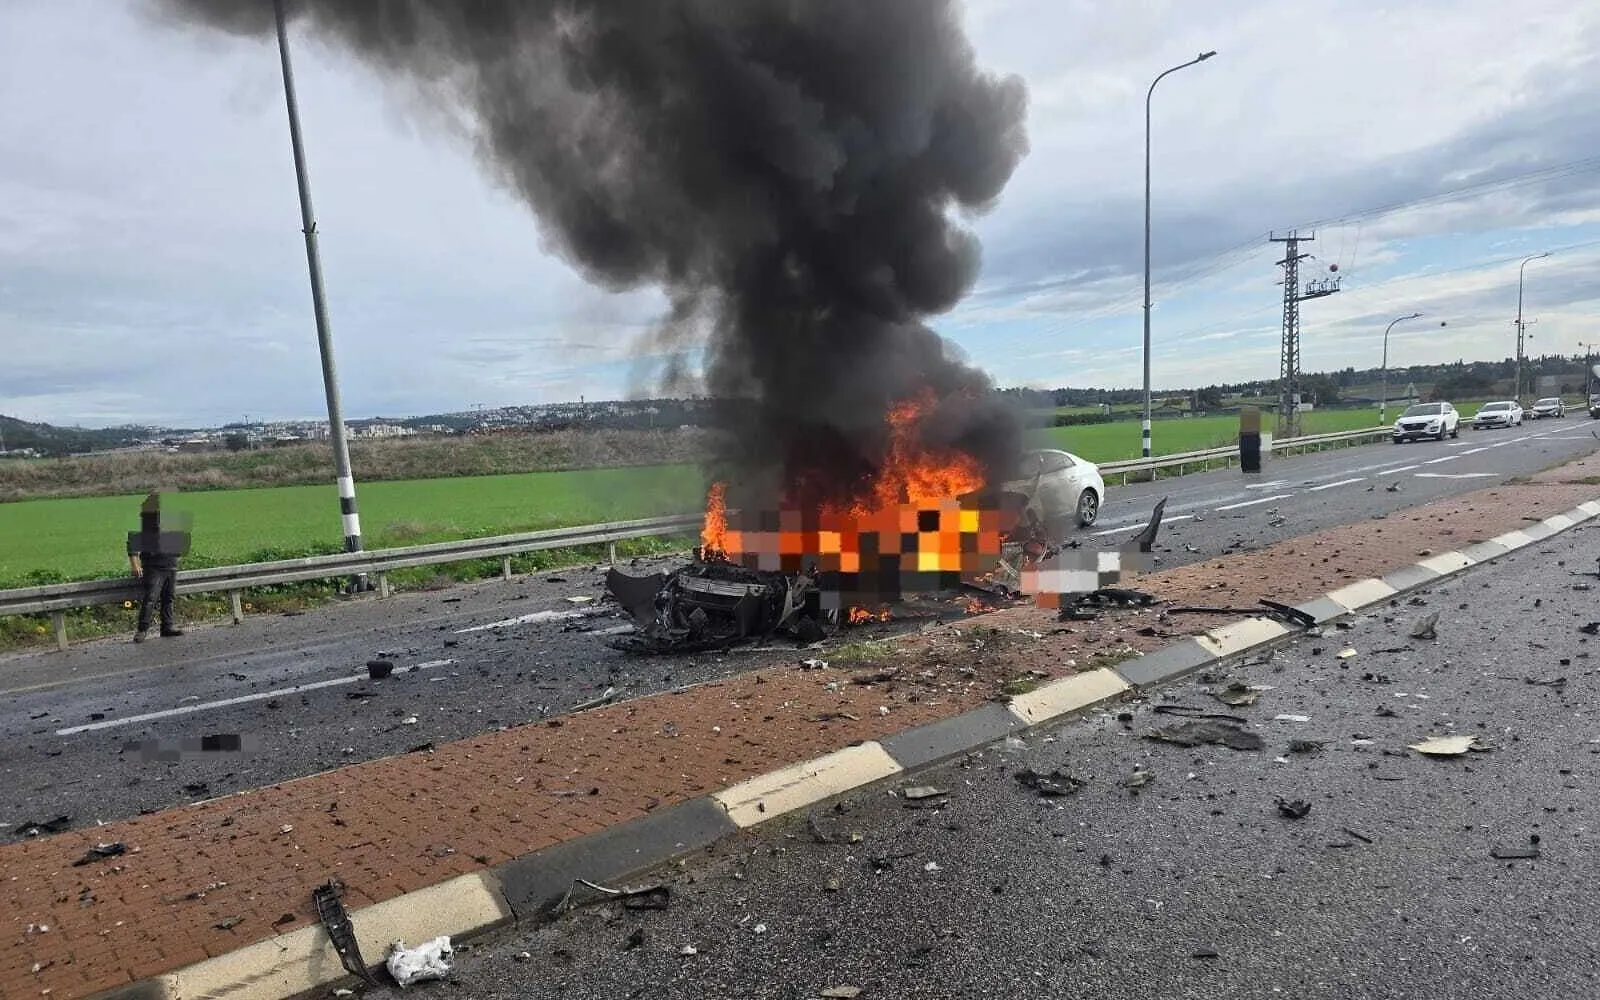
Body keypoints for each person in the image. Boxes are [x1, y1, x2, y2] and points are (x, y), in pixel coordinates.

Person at [128, 490, 187, 642]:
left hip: (170, 566)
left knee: (169, 598)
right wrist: (135, 564)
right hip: (154, 568)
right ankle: (142, 629)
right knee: (151, 598)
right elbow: (132, 545)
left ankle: (167, 627)